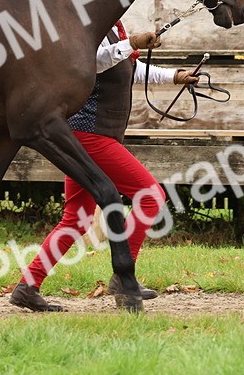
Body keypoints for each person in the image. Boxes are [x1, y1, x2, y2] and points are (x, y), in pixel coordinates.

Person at [10, 23, 196, 312]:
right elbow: (97, 61)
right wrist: (132, 42)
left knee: (76, 218)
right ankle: (125, 278)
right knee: (150, 195)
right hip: (91, 136)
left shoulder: (113, 30)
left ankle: (27, 286)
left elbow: (129, 69)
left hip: (91, 136)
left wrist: (175, 76)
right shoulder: (86, 29)